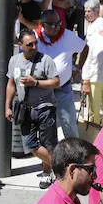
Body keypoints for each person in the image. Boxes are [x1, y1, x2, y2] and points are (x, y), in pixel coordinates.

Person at [6, 28, 60, 187]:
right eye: (30, 44)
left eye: (36, 43)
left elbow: (56, 82)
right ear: (20, 45)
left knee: (48, 144)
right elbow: (11, 84)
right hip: (25, 109)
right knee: (30, 145)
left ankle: (47, 173)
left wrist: (36, 83)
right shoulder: (14, 61)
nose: (34, 47)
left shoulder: (46, 60)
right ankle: (61, 167)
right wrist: (7, 106)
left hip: (45, 108)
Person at [36, 10, 87, 141]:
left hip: (63, 88)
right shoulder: (35, 38)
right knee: (46, 126)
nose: (56, 27)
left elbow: (84, 48)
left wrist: (78, 67)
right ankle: (49, 157)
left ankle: (74, 156)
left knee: (69, 124)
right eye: (52, 24)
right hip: (42, 91)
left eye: (58, 23)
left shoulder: (68, 36)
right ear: (42, 24)